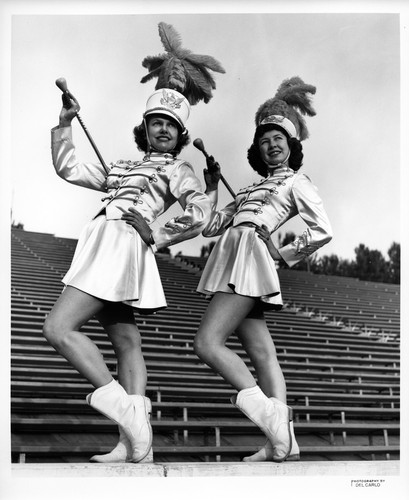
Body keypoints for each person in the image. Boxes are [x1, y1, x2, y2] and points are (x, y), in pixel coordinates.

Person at [43, 85, 212, 463]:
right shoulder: (119, 167)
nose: (164, 130)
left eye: (171, 124)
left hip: (122, 247)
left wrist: (160, 232)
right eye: (156, 123)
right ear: (146, 128)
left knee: (57, 328)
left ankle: (133, 421)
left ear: (180, 133)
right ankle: (135, 446)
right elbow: (68, 167)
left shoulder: (176, 169)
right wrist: (64, 123)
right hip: (101, 245)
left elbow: (201, 209)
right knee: (126, 343)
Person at [194, 77, 333, 462]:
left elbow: (323, 230)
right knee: (262, 354)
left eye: (279, 140)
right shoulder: (247, 191)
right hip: (230, 258)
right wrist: (212, 189)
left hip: (250, 259)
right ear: (256, 148)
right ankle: (282, 442)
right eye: (264, 140)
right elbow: (209, 225)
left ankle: (272, 421)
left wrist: (282, 250)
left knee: (207, 343)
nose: (271, 145)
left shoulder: (296, 182)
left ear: (291, 146)